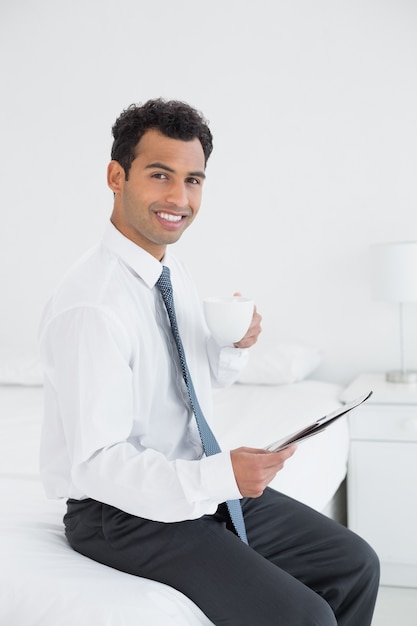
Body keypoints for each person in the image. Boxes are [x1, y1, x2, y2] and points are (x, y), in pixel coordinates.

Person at [39, 98, 379, 625]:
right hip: (121, 512)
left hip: (193, 483)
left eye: (193, 180)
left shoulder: (170, 271)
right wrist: (218, 478)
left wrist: (231, 346)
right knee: (303, 616)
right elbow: (98, 463)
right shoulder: (93, 304)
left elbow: (187, 383)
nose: (179, 197)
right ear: (116, 176)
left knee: (355, 563)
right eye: (160, 175)